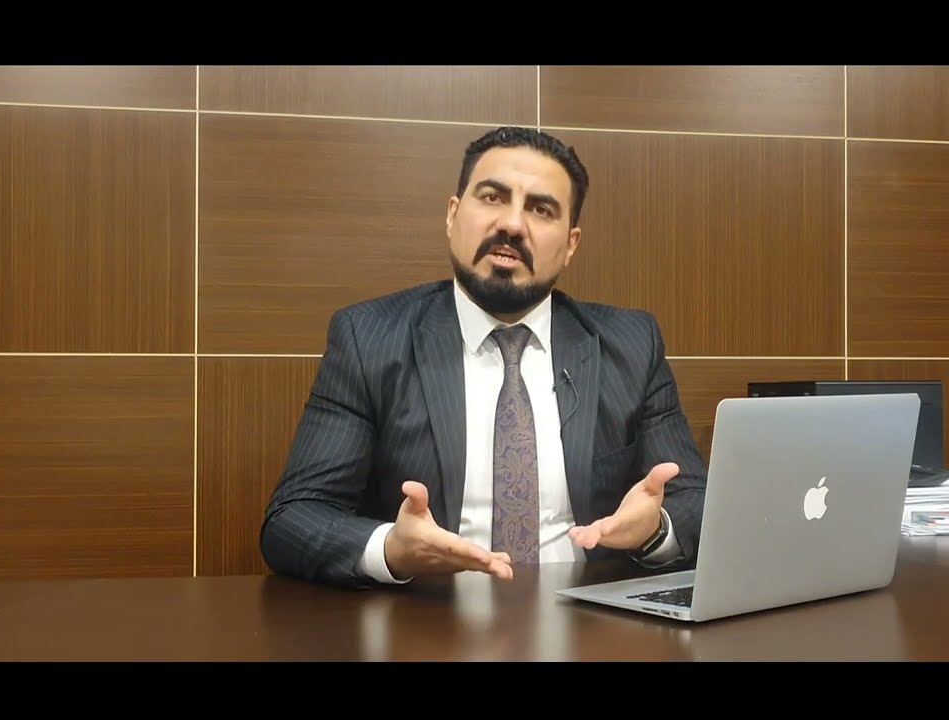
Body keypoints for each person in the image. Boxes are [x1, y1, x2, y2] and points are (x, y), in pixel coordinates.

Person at [260, 126, 708, 589]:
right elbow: (294, 518)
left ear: (571, 244)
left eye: (541, 209)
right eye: (493, 197)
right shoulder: (370, 339)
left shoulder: (631, 343)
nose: (512, 225)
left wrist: (655, 531)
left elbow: (694, 502)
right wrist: (392, 549)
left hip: (589, 616)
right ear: (453, 215)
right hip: (428, 618)